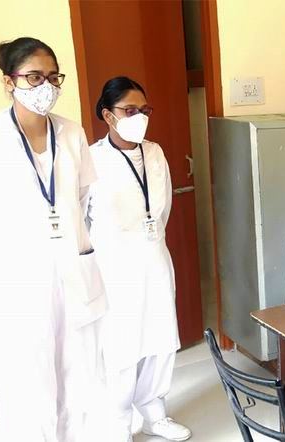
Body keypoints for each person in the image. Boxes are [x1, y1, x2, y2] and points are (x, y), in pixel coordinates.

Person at [0, 37, 106, 441]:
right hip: (17, 281)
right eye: (35, 77)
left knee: (79, 380)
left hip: (73, 273)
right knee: (27, 385)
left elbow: (82, 198)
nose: (47, 86)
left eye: (53, 77)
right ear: (9, 82)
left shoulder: (72, 133)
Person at [86, 77, 190, 441]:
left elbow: (163, 208)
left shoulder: (155, 152)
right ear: (108, 115)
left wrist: (150, 238)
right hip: (114, 266)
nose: (140, 117)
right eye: (130, 110)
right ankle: (117, 421)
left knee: (161, 338)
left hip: (154, 257)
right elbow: (82, 218)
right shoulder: (92, 159)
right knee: (122, 344)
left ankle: (154, 413)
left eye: (144, 110)